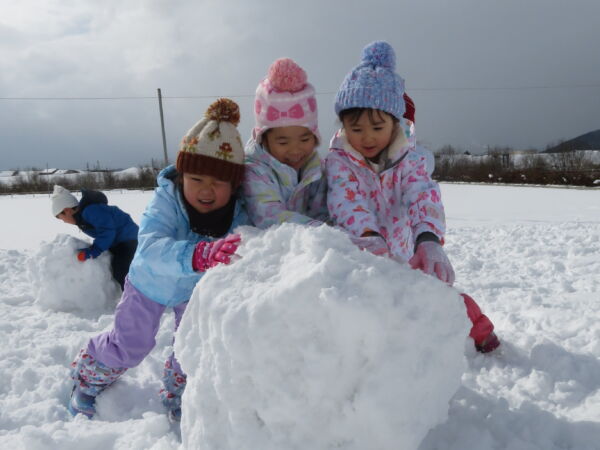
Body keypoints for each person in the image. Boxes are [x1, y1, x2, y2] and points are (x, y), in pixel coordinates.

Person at [67, 98, 249, 422]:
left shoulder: (239, 214)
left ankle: (178, 393)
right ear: (182, 176)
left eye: (218, 182)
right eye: (196, 179)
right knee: (131, 343)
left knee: (191, 346)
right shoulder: (165, 201)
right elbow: (149, 248)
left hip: (193, 292)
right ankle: (87, 378)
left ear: (233, 185)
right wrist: (196, 255)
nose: (206, 190)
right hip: (149, 282)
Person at [327, 41, 500, 353]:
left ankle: (481, 331)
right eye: (355, 128)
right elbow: (346, 199)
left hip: (409, 250)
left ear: (396, 124)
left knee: (438, 294)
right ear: (343, 127)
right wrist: (367, 236)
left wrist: (428, 239)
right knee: (378, 309)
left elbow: (423, 195)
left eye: (377, 127)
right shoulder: (339, 161)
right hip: (363, 252)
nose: (366, 137)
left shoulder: (410, 160)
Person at [243, 57, 329, 228]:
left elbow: (323, 213)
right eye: (283, 142)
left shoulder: (314, 167)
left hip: (305, 246)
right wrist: (324, 232)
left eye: (305, 139)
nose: (295, 150)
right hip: (265, 246)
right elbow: (270, 217)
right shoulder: (255, 171)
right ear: (264, 139)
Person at [51, 185, 139, 290]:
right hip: (119, 242)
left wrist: (94, 250)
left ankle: (136, 300)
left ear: (67, 210)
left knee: (121, 271)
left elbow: (107, 231)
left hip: (129, 240)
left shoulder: (90, 211)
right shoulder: (83, 217)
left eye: (62, 218)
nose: (64, 221)